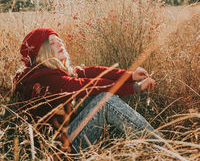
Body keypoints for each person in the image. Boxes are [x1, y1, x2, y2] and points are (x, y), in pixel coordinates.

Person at [13, 28, 162, 155]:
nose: (60, 43)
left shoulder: (48, 71)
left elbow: (92, 72)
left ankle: (148, 144)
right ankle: (160, 147)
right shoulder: (44, 78)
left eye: (59, 40)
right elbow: (86, 85)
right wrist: (134, 88)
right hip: (62, 151)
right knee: (104, 101)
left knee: (99, 98)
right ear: (40, 53)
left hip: (67, 137)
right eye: (51, 43)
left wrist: (130, 76)